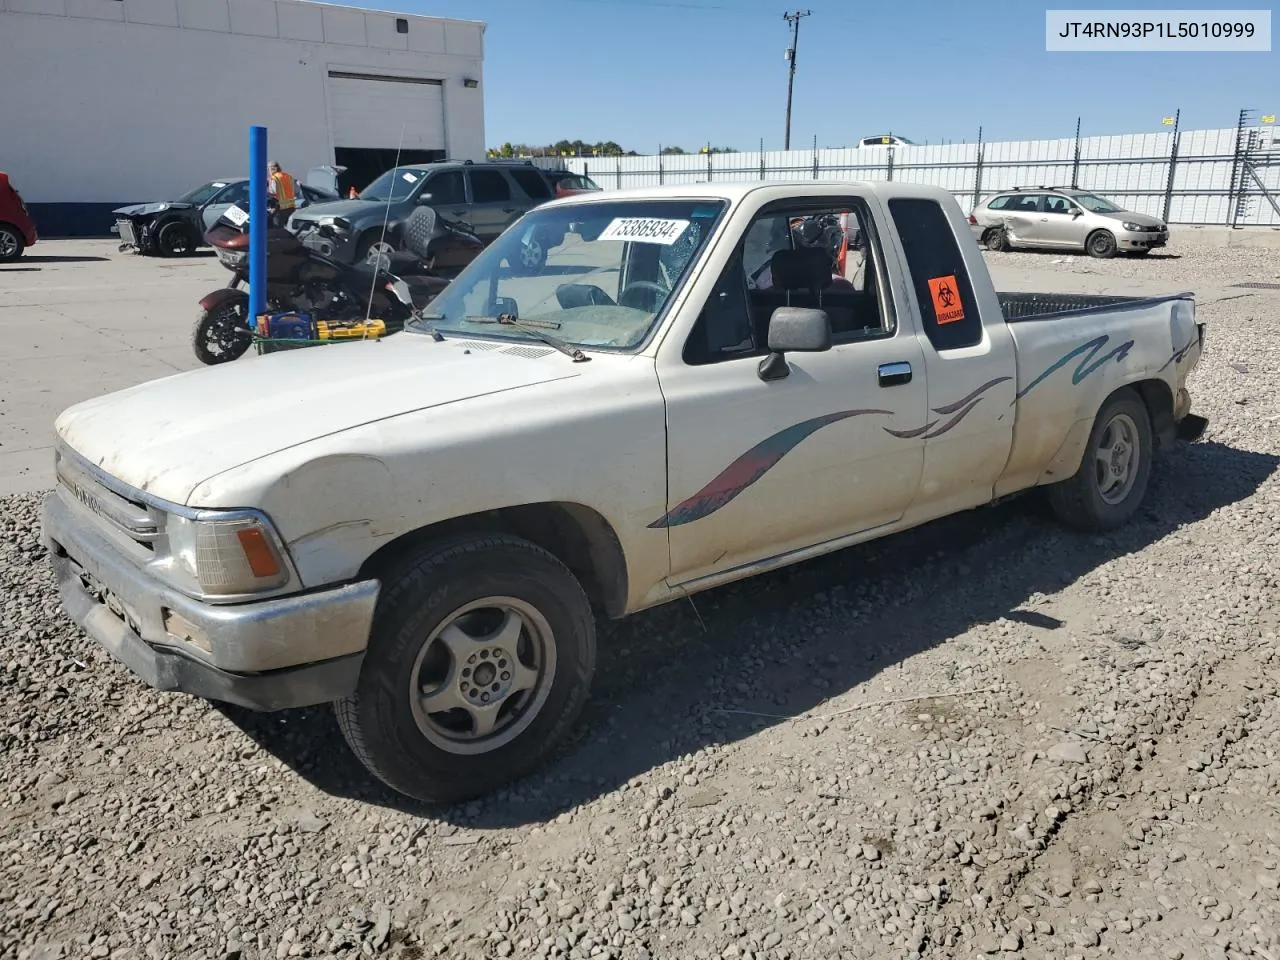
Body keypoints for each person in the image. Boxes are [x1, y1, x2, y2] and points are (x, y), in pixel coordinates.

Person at [267, 161, 297, 228]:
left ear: (273, 169)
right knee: (288, 228)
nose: (268, 171)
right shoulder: (288, 176)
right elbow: (296, 190)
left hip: (280, 208)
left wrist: (266, 193)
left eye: (268, 169)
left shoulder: (274, 178)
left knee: (277, 229)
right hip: (291, 207)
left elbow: (273, 192)